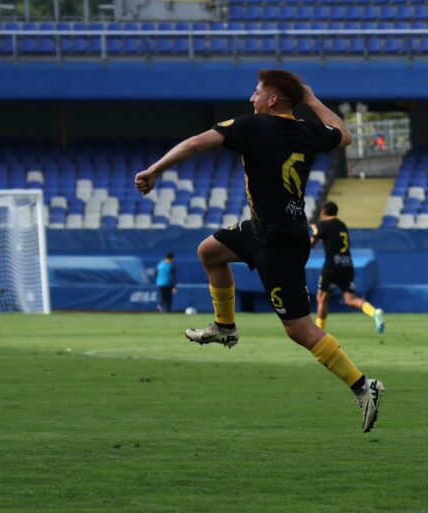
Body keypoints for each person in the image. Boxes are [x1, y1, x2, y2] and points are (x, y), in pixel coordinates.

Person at [135, 69, 384, 433]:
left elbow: (195, 143)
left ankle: (364, 387)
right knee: (210, 251)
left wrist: (155, 169)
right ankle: (225, 326)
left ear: (272, 100)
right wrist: (312, 100)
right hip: (269, 228)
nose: (251, 99)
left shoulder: (255, 126)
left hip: (278, 240)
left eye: (256, 93)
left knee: (298, 329)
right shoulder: (308, 130)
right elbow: (343, 134)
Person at [311, 201, 385, 333]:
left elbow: (312, 243)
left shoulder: (322, 224)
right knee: (350, 299)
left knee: (322, 298)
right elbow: (331, 239)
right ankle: (375, 313)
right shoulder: (342, 225)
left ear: (323, 212)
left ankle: (319, 332)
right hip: (347, 264)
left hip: (332, 264)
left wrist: (315, 232)